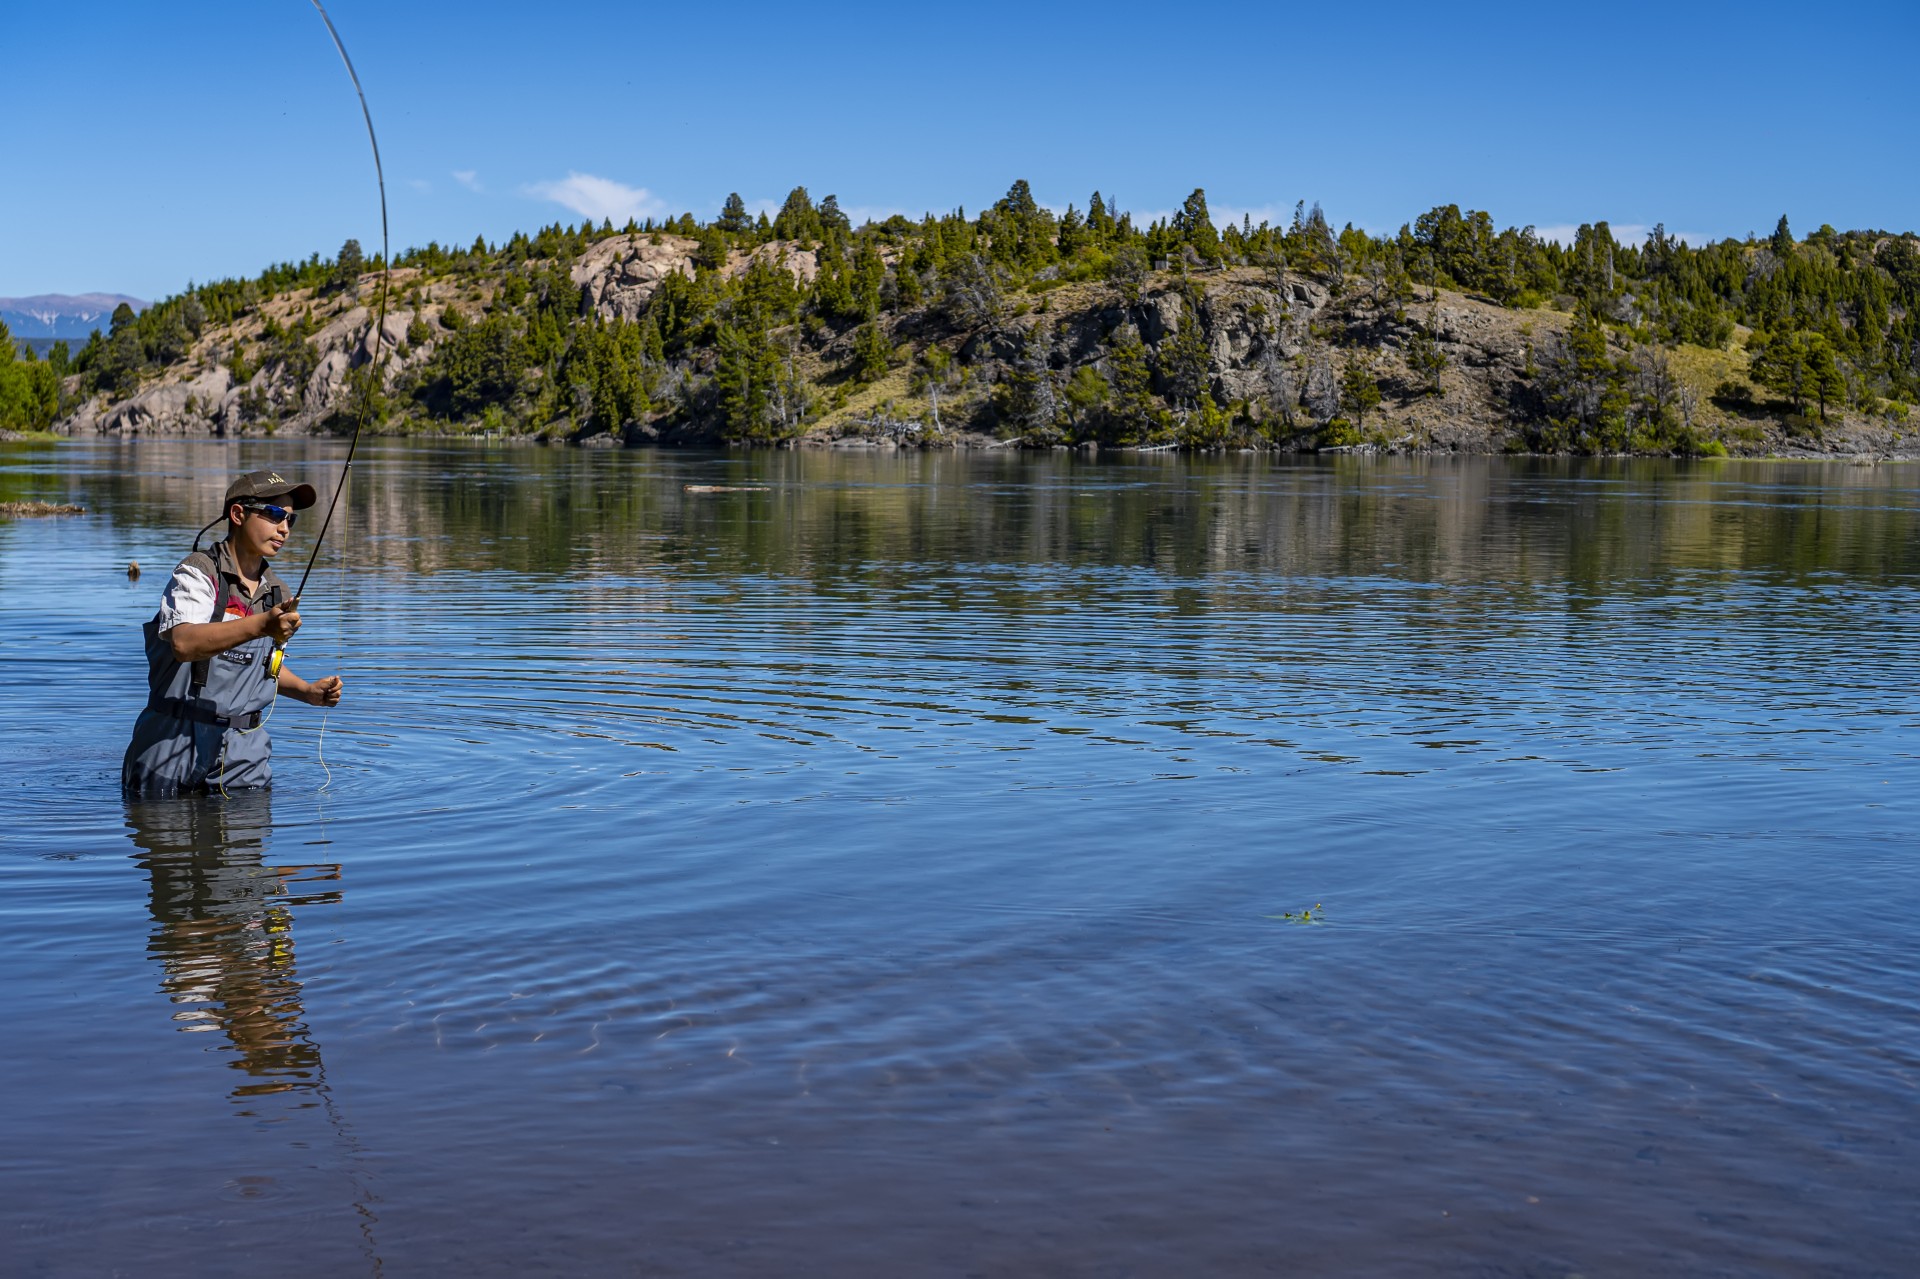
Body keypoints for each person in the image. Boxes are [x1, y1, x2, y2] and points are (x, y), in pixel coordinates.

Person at [123, 469, 345, 795]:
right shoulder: (198, 573)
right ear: (238, 514)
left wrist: (307, 692)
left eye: (290, 520)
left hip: (246, 756)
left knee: (246, 843)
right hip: (170, 744)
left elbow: (261, 666)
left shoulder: (277, 593)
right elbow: (184, 643)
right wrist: (262, 625)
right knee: (165, 844)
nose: (284, 528)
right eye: (274, 515)